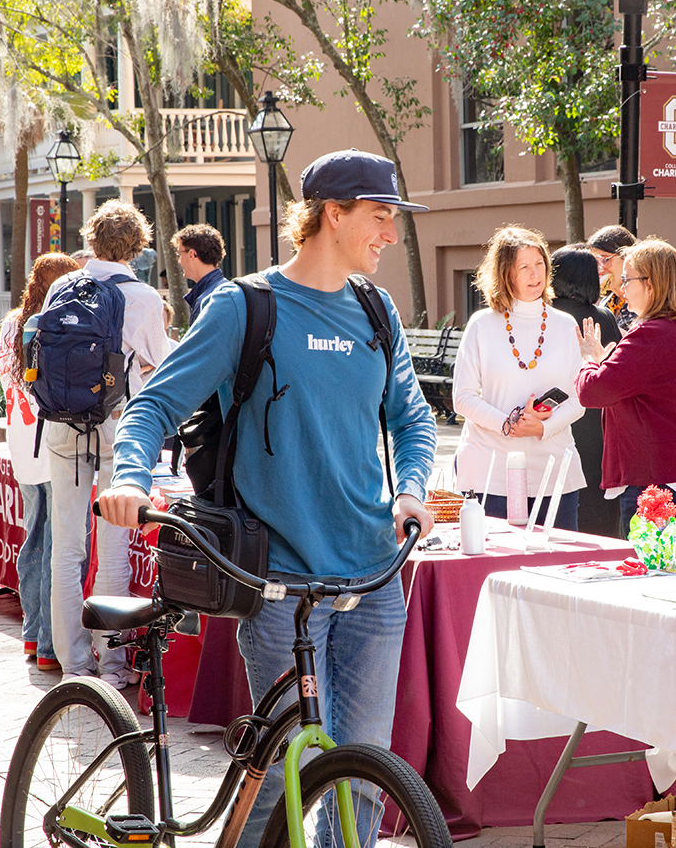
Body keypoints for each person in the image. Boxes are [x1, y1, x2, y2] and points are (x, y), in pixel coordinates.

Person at [97, 148, 437, 848]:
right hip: (277, 581)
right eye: (380, 216)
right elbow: (153, 406)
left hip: (373, 579)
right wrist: (129, 476)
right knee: (286, 772)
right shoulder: (244, 307)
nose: (390, 234)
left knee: (365, 776)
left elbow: (411, 417)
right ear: (332, 215)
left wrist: (410, 488)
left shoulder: (378, 310)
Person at [44, 200, 170, 689]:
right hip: (119, 426)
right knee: (112, 547)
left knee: (65, 548)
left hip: (61, 426)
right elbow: (160, 362)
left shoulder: (61, 285)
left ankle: (72, 662)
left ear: (91, 239)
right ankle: (111, 664)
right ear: (136, 245)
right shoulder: (143, 297)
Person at [575, 237, 676, 534]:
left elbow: (591, 391)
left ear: (651, 284)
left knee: (650, 576)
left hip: (653, 487)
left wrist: (589, 359)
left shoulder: (648, 335)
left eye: (627, 279)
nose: (621, 287)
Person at [453, 225, 587, 529]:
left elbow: (578, 398)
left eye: (539, 264)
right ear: (505, 274)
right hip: (489, 471)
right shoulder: (481, 324)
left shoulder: (565, 325)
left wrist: (541, 427)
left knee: (554, 569)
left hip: (553, 473)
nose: (534, 274)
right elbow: (463, 398)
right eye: (524, 267)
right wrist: (507, 423)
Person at [0, 253, 81, 672]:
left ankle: (33, 636)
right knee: (58, 543)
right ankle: (49, 644)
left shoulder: (12, 323)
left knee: (34, 537)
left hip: (21, 443)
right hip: (53, 441)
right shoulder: (59, 322)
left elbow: (9, 382)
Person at [549, 244, 622, 537]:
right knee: (598, 518)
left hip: (555, 421)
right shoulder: (604, 317)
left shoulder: (546, 316)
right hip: (598, 426)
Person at [586, 224, 637, 332]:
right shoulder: (606, 303)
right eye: (595, 262)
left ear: (627, 258)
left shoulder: (643, 300)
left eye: (605, 260)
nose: (599, 269)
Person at [173, 222, 227, 321]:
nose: (179, 262)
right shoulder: (223, 290)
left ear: (191, 254)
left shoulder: (208, 300)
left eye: (179, 255)